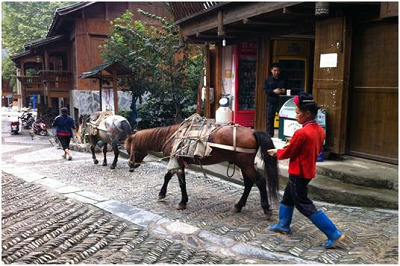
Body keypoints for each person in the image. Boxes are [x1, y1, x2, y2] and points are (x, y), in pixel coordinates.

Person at [267, 92, 345, 249]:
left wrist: (277, 153)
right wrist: (292, 144)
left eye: (297, 113)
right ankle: (283, 225)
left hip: (298, 172)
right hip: (308, 170)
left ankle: (333, 233)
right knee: (288, 197)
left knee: (303, 204)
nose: (295, 116)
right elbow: (309, 149)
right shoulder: (319, 130)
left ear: (307, 114)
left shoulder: (301, 132)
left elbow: (290, 152)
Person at [263, 62, 287, 137]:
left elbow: (289, 89)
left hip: (281, 101)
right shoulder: (268, 79)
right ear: (271, 70)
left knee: (283, 117)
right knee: (270, 117)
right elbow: (265, 90)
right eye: (275, 70)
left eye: (278, 71)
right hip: (271, 101)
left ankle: (282, 134)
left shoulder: (283, 79)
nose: (276, 72)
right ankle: (270, 134)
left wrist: (283, 91)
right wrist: (273, 91)